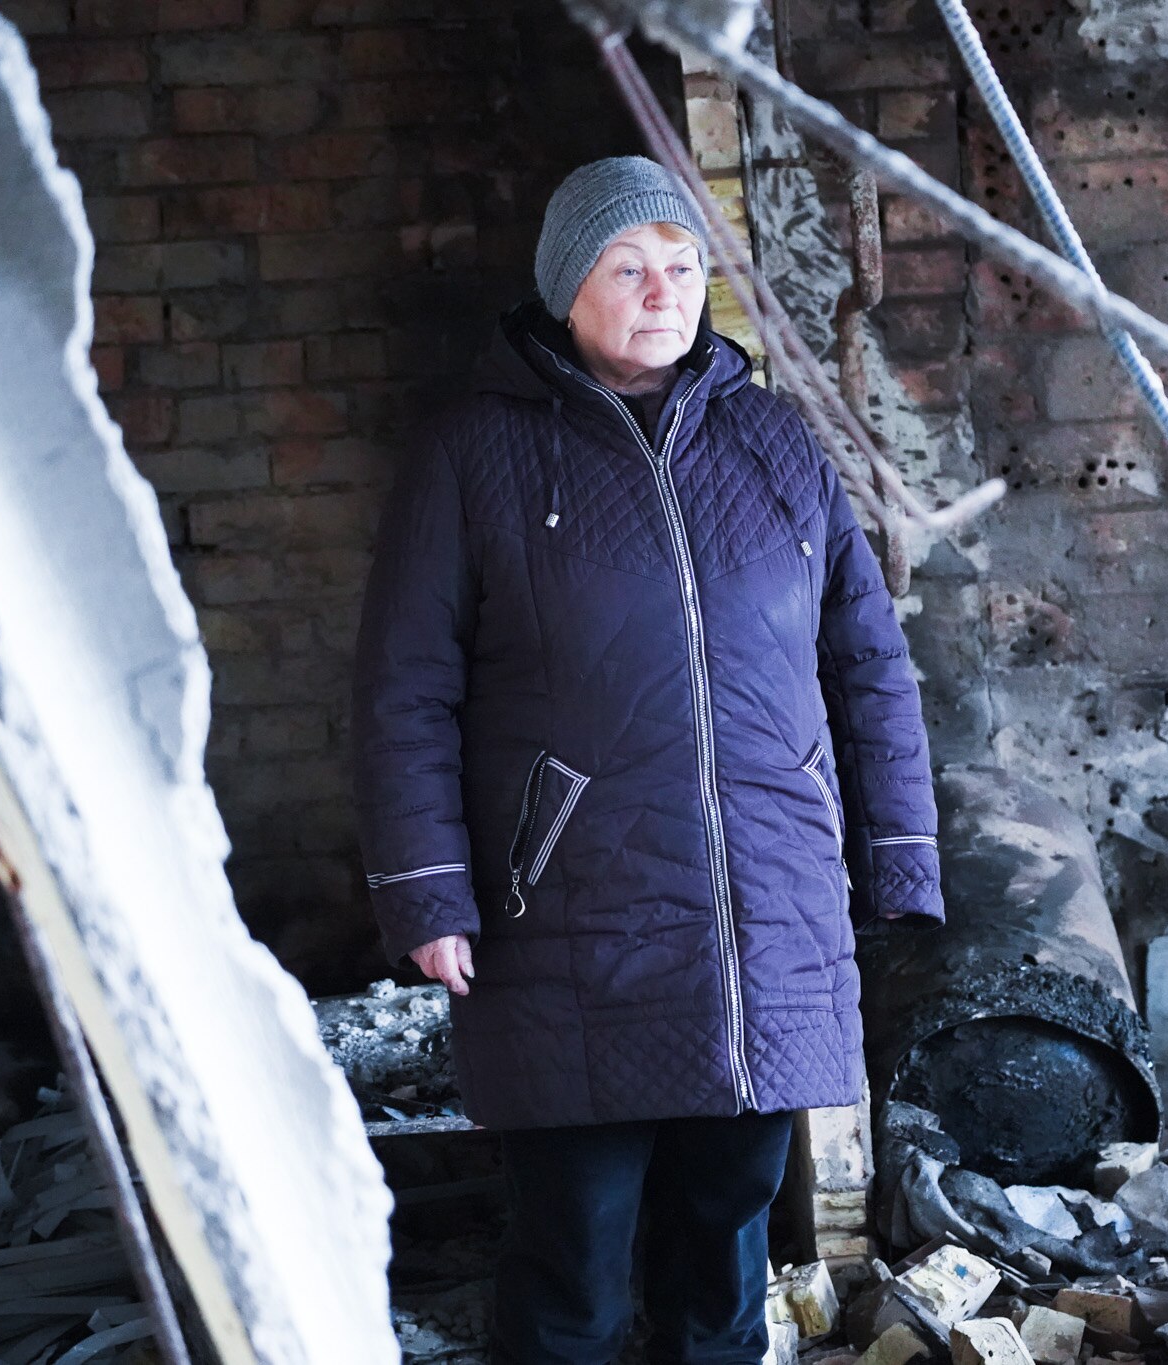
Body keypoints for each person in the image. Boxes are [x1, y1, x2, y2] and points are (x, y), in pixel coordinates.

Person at [351, 155, 944, 1365]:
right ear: (567, 285)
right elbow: (403, 687)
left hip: (766, 921)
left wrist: (898, 855)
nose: (662, 292)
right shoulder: (474, 453)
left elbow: (867, 663)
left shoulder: (775, 441)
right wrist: (425, 889)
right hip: (570, 919)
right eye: (628, 267)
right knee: (573, 1259)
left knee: (724, 1259)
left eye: (681, 268)